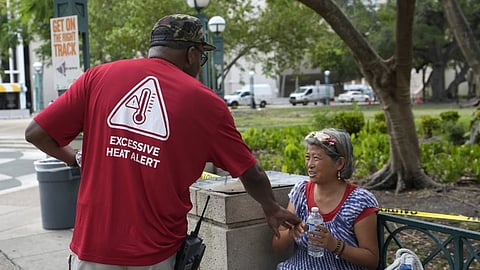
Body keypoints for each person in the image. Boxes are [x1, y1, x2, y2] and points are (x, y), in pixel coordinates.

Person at [25, 14, 301, 270]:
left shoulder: (98, 77)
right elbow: (250, 172)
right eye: (201, 57)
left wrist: (75, 158)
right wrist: (270, 207)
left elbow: (36, 133)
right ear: (192, 54)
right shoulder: (207, 104)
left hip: (93, 246)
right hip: (156, 252)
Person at [272, 128, 379, 270]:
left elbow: (372, 260)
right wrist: (292, 233)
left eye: (316, 158)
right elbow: (277, 246)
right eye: (307, 157)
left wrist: (335, 245)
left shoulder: (359, 201)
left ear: (339, 163)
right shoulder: (300, 192)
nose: (309, 164)